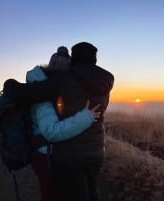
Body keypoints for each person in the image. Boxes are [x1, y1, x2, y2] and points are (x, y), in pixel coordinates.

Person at [3, 42, 114, 201]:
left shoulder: (64, 81)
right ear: (94, 59)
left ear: (74, 59)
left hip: (71, 153)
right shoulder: (104, 83)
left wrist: (10, 85)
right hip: (97, 150)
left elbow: (28, 93)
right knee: (91, 189)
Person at [26, 47, 101, 201]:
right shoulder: (44, 94)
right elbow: (51, 131)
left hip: (55, 153)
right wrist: (86, 117)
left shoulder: (50, 89)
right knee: (51, 195)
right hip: (45, 154)